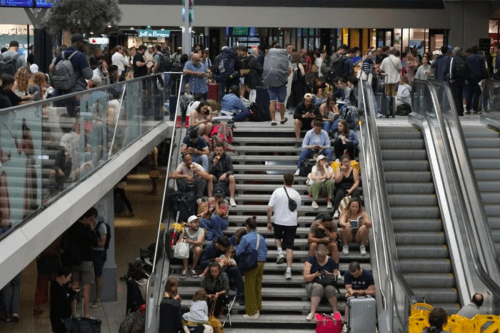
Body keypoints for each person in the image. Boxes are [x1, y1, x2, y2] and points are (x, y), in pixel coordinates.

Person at [63, 209, 98, 318]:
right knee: (86, 290)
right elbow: (95, 242)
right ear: (86, 219)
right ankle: (86, 314)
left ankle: (74, 313)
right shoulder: (87, 229)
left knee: (75, 287)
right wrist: (92, 229)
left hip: (74, 262)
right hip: (87, 261)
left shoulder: (71, 229)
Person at [267, 173, 302, 280]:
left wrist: (269, 221)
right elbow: (299, 212)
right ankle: (288, 271)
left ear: (283, 181)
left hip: (278, 220)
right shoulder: (297, 194)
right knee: (290, 246)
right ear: (293, 181)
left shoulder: (277, 191)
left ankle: (280, 253)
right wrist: (293, 218)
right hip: (291, 223)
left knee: (277, 238)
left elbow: (269, 208)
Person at [236, 216, 268, 319]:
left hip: (251, 264)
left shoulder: (245, 237)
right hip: (261, 263)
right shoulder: (261, 237)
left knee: (249, 287)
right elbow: (265, 250)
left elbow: (238, 252)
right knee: (257, 287)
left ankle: (252, 312)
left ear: (248, 226)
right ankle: (258, 307)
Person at [199, 235, 245, 305]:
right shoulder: (209, 248)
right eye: (224, 248)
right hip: (213, 269)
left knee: (236, 270)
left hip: (225, 267)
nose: (225, 249)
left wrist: (229, 261)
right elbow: (202, 263)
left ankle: (241, 294)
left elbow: (233, 258)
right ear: (219, 245)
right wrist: (213, 260)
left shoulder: (226, 248)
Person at [303, 244, 339, 321]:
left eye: (323, 256)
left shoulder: (331, 261)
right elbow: (306, 277)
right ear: (316, 253)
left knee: (330, 288)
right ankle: (312, 312)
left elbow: (336, 274)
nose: (321, 258)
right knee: (318, 287)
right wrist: (315, 275)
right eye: (320, 256)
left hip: (327, 283)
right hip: (313, 283)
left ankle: (335, 311)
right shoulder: (310, 260)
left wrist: (329, 274)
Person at [262, 46, 290, 126]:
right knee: (281, 102)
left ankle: (273, 120)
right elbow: (288, 71)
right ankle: (282, 119)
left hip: (271, 83)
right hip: (281, 84)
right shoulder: (284, 58)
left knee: (272, 101)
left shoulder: (269, 58)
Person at [50, 267, 79, 333]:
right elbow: (66, 300)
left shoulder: (56, 285)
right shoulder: (57, 288)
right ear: (63, 276)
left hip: (60, 318)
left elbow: (64, 293)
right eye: (68, 278)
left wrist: (71, 290)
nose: (68, 280)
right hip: (59, 320)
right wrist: (73, 294)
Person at [333, 154, 361, 219]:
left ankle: (358, 212)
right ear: (341, 163)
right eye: (344, 162)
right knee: (339, 194)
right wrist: (342, 171)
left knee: (356, 194)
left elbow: (356, 182)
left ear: (349, 162)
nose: (345, 163)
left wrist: (350, 190)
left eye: (347, 162)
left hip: (351, 187)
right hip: (341, 187)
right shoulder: (338, 169)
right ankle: (336, 211)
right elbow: (337, 181)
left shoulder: (353, 170)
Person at [90, 207, 107, 309]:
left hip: (99, 253)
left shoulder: (101, 226)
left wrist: (92, 232)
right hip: (90, 252)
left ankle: (98, 298)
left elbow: (102, 243)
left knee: (98, 275)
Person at [466, 44, 488, 114]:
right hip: (479, 78)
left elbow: (467, 68)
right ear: (477, 50)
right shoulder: (481, 57)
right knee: (477, 93)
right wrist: (484, 77)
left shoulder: (469, 58)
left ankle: (468, 108)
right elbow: (483, 68)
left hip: (470, 78)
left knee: (470, 93)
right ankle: (475, 108)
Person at [380, 47, 402, 112]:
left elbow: (381, 69)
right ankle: (393, 110)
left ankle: (387, 109)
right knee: (394, 95)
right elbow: (400, 69)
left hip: (387, 79)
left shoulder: (385, 60)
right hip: (395, 79)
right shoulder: (397, 60)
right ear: (394, 52)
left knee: (387, 94)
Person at [449, 47, 470, 117]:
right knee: (461, 95)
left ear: (454, 52)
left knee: (455, 96)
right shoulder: (464, 58)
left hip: (455, 79)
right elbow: (468, 68)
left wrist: (451, 78)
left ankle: (457, 111)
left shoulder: (453, 59)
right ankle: (461, 111)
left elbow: (451, 69)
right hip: (462, 79)